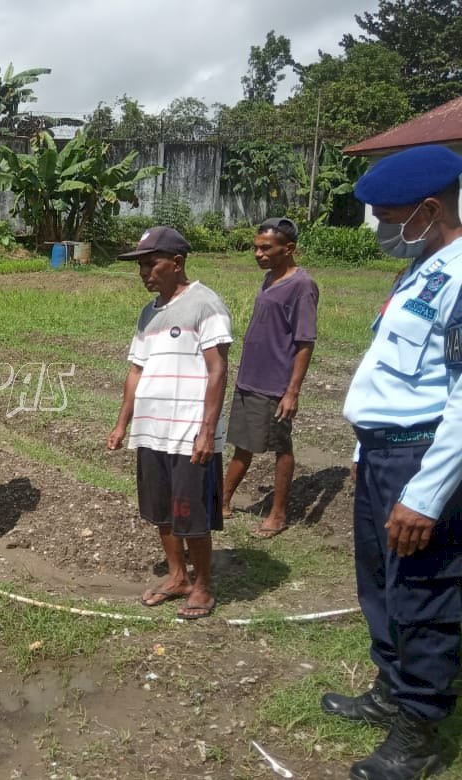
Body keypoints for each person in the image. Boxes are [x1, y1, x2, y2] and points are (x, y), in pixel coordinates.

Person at [318, 145, 462, 780]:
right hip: (382, 456)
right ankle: (390, 690)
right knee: (379, 583)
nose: (381, 230)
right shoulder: (422, 269)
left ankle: (422, 730)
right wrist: (361, 448)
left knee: (424, 594)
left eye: (389, 217)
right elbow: (392, 374)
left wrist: (427, 494)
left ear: (430, 210)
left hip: (420, 459)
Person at [107, 226, 232, 619]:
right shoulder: (149, 313)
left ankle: (204, 585)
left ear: (177, 263)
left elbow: (217, 370)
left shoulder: (205, 304)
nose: (144, 272)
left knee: (190, 513)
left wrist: (207, 430)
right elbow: (135, 371)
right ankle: (178, 576)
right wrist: (122, 423)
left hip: (188, 432)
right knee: (161, 510)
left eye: (151, 263)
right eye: (141, 265)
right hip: (152, 429)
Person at [221, 217, 318, 537]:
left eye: (266, 248)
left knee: (280, 445)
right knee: (242, 444)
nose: (258, 254)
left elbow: (305, 342)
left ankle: (278, 514)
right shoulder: (269, 279)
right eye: (256, 248)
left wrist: (292, 391)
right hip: (251, 376)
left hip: (276, 382)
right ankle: (221, 501)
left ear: (288, 249)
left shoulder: (302, 286)